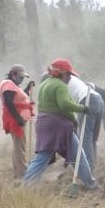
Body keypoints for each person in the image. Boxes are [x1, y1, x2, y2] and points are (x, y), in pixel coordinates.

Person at [22, 59, 99, 190]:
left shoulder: (45, 83)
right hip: (57, 126)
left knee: (76, 154)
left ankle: (91, 184)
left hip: (43, 123)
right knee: (44, 156)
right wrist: (82, 109)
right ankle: (26, 187)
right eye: (68, 75)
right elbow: (64, 105)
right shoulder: (60, 86)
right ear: (61, 73)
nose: (70, 78)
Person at [63, 64, 105, 171]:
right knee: (92, 138)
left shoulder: (61, 85)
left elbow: (68, 106)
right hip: (98, 99)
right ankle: (92, 165)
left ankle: (88, 168)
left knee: (85, 137)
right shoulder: (72, 79)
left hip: (88, 100)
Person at [0, 63, 36, 178]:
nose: (21, 79)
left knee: (18, 146)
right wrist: (18, 118)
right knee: (20, 146)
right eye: (20, 77)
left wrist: (28, 89)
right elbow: (9, 103)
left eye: (23, 78)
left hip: (16, 118)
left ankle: (18, 170)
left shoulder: (12, 85)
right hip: (15, 119)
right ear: (13, 74)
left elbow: (19, 97)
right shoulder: (8, 85)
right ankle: (22, 172)